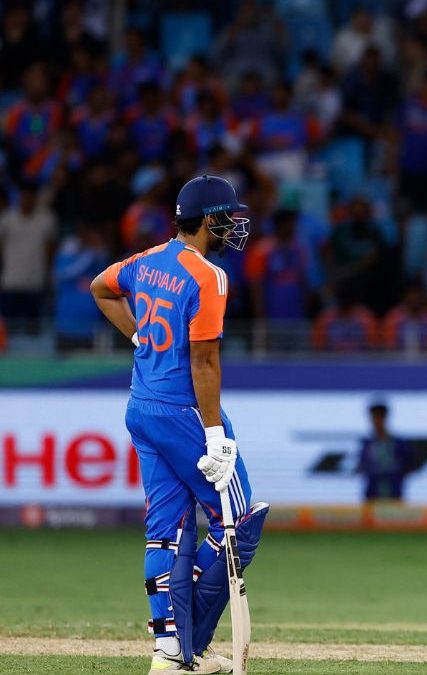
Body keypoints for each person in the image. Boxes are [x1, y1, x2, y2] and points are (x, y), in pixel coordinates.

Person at [90, 175, 268, 674]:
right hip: (185, 411)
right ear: (209, 220)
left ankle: (168, 653)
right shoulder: (208, 275)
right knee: (241, 522)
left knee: (163, 532)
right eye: (228, 217)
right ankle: (191, 635)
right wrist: (214, 434)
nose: (234, 226)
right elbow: (205, 362)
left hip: (141, 406)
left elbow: (101, 288)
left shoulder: (145, 261)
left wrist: (140, 337)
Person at [358, 400, 412, 501]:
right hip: (372, 497)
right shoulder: (367, 444)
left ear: (385, 418)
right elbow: (363, 466)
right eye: (374, 417)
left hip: (394, 496)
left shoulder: (399, 444)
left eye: (380, 417)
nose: (377, 421)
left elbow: (407, 466)